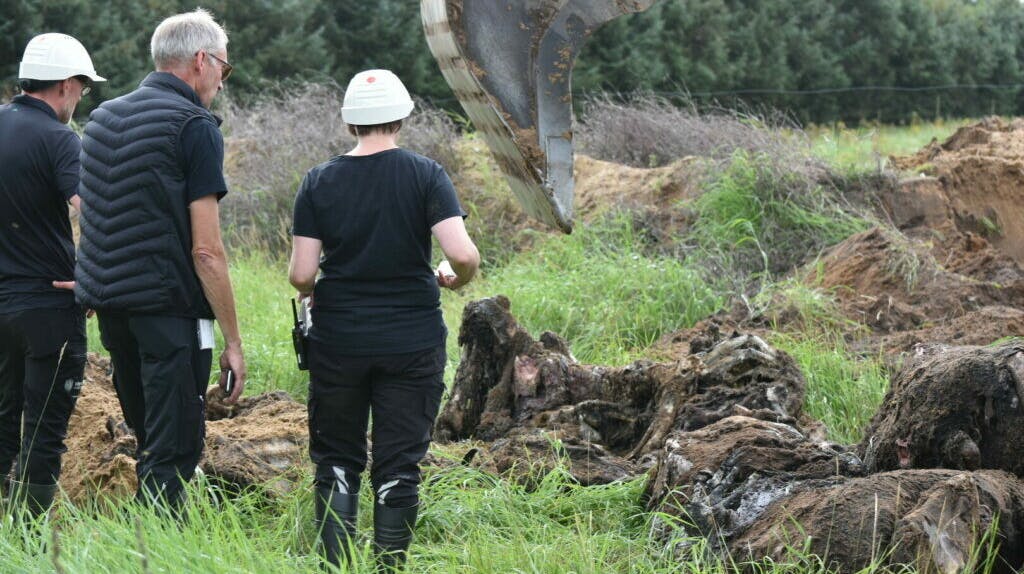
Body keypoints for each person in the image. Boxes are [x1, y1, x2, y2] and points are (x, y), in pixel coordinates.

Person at [289, 69, 480, 570]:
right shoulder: (426, 174)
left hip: (338, 340)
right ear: (402, 117)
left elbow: (302, 274)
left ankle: (336, 566)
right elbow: (463, 256)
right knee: (399, 464)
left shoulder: (318, 180)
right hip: (411, 342)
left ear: (350, 122)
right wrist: (452, 276)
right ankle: (388, 567)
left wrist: (321, 286)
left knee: (335, 457)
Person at [75, 9, 245, 510]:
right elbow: (207, 251)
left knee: (149, 434)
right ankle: (162, 551)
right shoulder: (194, 126)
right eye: (224, 68)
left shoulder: (103, 118)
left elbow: (98, 211)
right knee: (174, 449)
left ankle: (144, 544)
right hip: (171, 312)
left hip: (113, 311)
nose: (222, 80)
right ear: (201, 60)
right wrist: (233, 341)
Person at [0, 33, 104, 517]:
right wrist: (96, 277)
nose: (81, 98)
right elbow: (94, 213)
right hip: (48, 306)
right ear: (65, 84)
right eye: (83, 87)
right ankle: (29, 540)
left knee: (2, 422)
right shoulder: (60, 139)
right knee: (44, 432)